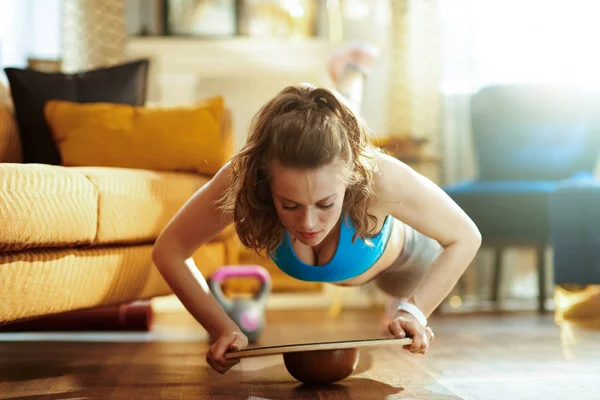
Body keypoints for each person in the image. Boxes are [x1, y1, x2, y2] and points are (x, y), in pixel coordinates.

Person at [151, 43, 482, 375]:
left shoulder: (382, 176)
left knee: (348, 140)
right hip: (350, 231)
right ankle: (350, 73)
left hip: (405, 263)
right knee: (334, 133)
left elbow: (465, 237)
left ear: (352, 180)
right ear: (266, 183)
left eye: (325, 204)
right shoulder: (246, 175)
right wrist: (221, 326)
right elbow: (170, 250)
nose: (308, 223)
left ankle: (351, 76)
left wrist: (415, 311)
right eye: (289, 205)